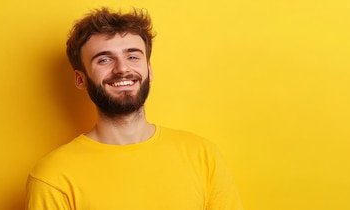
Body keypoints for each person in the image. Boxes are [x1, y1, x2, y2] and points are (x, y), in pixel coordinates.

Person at [26, 7, 243, 210]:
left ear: (149, 69)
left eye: (132, 56)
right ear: (81, 79)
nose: (122, 68)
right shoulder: (53, 176)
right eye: (104, 59)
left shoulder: (203, 155)